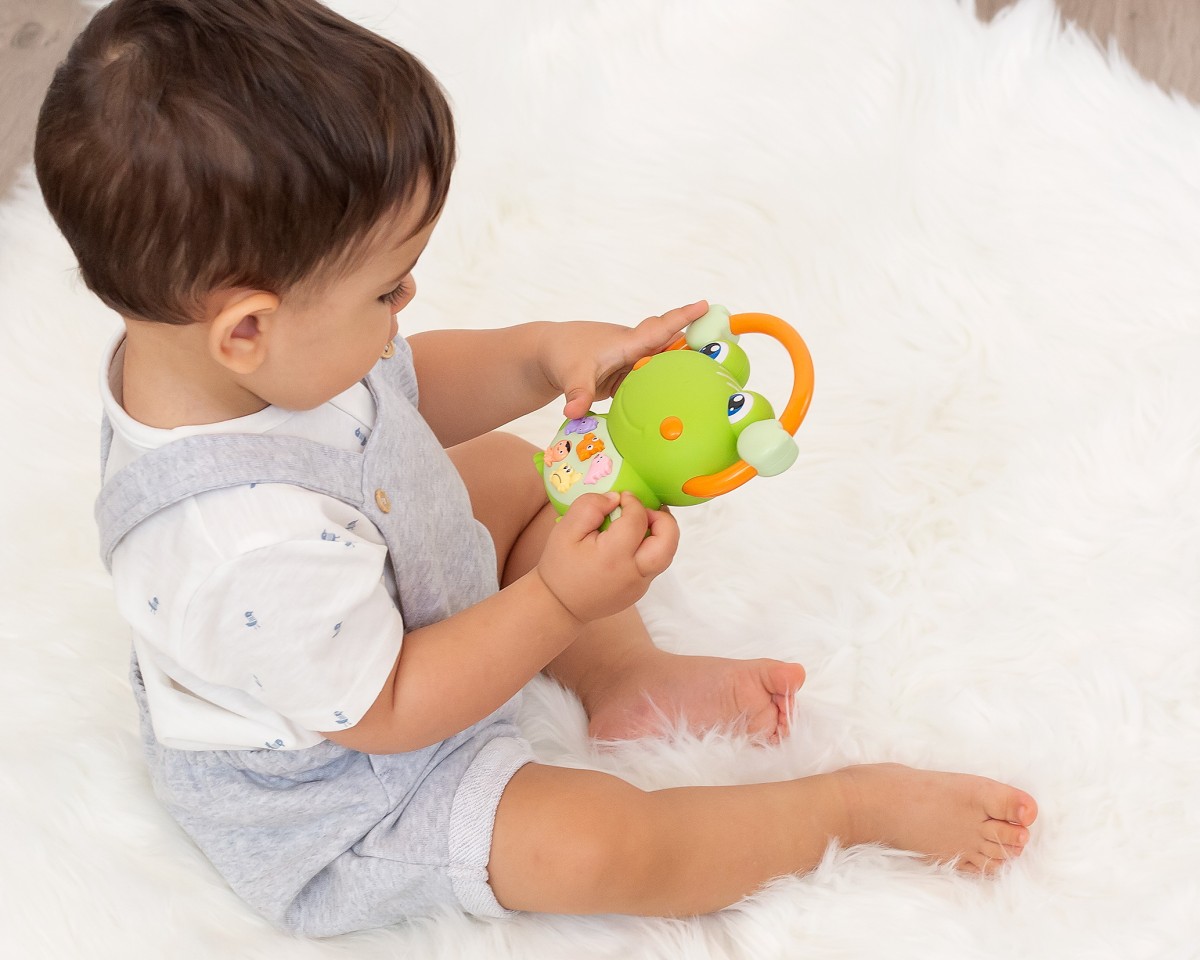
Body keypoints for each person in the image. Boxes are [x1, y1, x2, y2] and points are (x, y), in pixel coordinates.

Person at [35, 0, 1038, 937]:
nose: (408, 303)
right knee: (602, 847)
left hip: (364, 611)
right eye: (386, 290)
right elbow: (392, 710)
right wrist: (557, 600)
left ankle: (624, 680)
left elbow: (401, 389)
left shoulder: (234, 358)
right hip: (355, 783)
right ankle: (849, 808)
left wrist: (544, 354)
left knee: (526, 472)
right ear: (248, 329)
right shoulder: (236, 546)